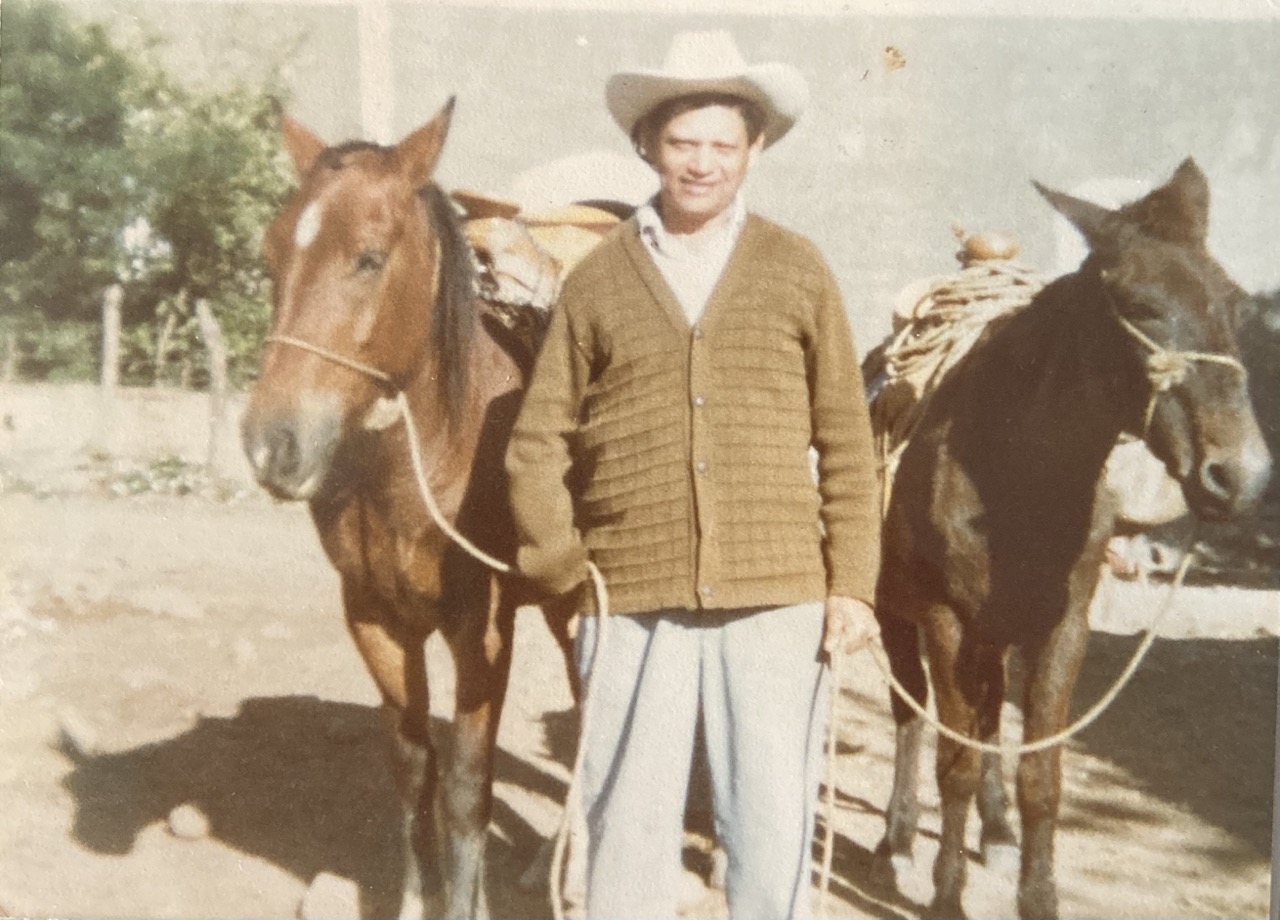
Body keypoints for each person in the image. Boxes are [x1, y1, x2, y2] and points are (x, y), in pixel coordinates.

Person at [505, 29, 882, 920]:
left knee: (771, 826)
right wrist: (563, 570)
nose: (702, 163)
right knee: (626, 828)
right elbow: (536, 442)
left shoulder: (798, 268)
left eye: (723, 144)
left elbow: (846, 436)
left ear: (754, 151)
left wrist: (853, 586)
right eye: (683, 143)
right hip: (629, 602)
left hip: (780, 601)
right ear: (648, 146)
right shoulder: (596, 281)